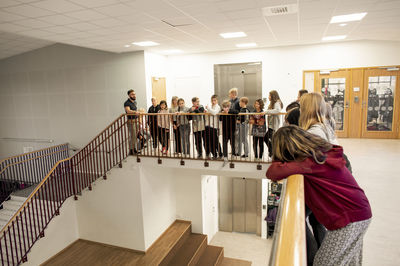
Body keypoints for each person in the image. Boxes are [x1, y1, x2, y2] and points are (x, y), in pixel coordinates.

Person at [266, 125, 372, 266]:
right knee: (350, 262)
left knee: (323, 263)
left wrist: (281, 159)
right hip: (359, 211)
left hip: (350, 217)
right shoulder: (319, 154)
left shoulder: (309, 163)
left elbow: (272, 172)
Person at [264, 90, 283, 158]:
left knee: (267, 138)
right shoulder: (272, 103)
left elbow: (277, 110)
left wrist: (267, 112)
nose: (268, 97)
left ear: (273, 96)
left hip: (274, 125)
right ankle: (272, 152)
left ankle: (273, 152)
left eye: (269, 95)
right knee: (269, 139)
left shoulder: (277, 103)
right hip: (271, 125)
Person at [205, 95, 222, 159]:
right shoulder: (211, 106)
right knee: (210, 141)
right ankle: (214, 154)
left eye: (214, 100)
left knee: (215, 141)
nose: (213, 101)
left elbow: (214, 113)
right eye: (212, 100)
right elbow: (210, 112)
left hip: (214, 126)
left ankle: (220, 154)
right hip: (208, 125)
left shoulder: (218, 107)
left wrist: (208, 109)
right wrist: (207, 111)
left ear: (217, 101)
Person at [124, 89, 138, 155]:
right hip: (131, 122)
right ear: (129, 95)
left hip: (136, 121)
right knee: (133, 136)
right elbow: (128, 111)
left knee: (135, 136)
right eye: (132, 94)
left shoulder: (134, 102)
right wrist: (136, 112)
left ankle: (134, 149)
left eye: (134, 94)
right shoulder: (127, 103)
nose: (134, 95)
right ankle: (131, 150)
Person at [229, 88, 241, 155]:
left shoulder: (238, 102)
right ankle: (233, 150)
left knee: (236, 137)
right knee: (232, 137)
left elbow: (239, 112)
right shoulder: (230, 101)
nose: (229, 95)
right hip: (231, 121)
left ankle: (236, 151)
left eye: (230, 94)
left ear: (233, 94)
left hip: (236, 121)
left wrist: (238, 120)